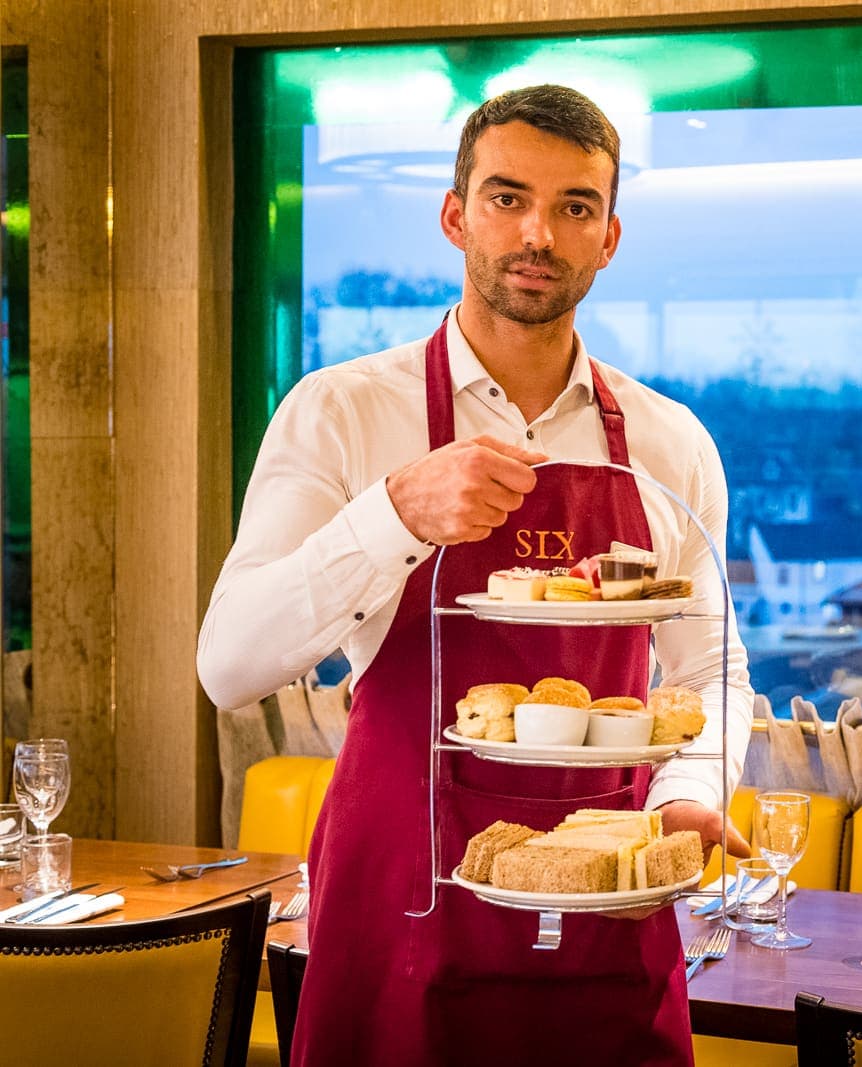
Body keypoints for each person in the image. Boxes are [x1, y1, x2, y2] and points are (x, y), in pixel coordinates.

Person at [197, 85, 753, 1066]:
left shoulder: (667, 441)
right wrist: (395, 514)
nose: (539, 231)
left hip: (606, 886)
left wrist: (682, 791)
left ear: (609, 236)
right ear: (455, 215)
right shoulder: (342, 413)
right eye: (507, 197)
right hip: (398, 887)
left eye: (575, 206)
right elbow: (229, 664)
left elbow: (711, 668)